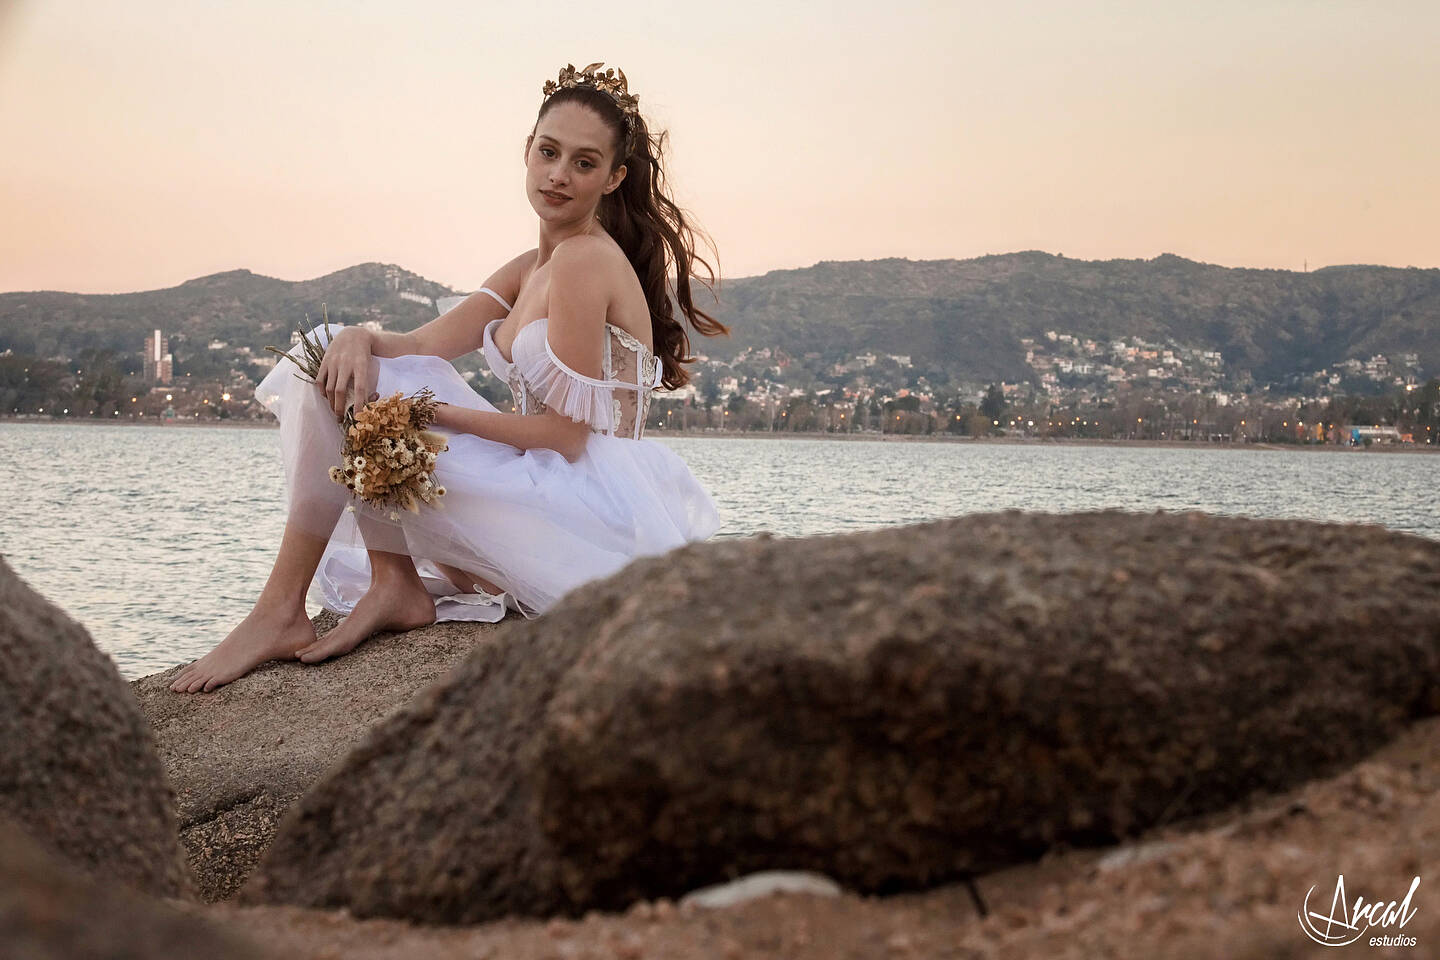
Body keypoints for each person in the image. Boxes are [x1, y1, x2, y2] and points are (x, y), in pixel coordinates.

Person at [171, 62, 728, 694]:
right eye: (548, 153)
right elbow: (416, 346)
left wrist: (430, 414)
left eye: (583, 162)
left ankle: (288, 610)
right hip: (544, 477)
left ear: (612, 178)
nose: (558, 175)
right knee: (329, 351)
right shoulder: (532, 266)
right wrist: (357, 336)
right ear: (526, 152)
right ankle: (388, 583)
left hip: (583, 503)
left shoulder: (582, 263)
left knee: (364, 386)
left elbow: (568, 438)